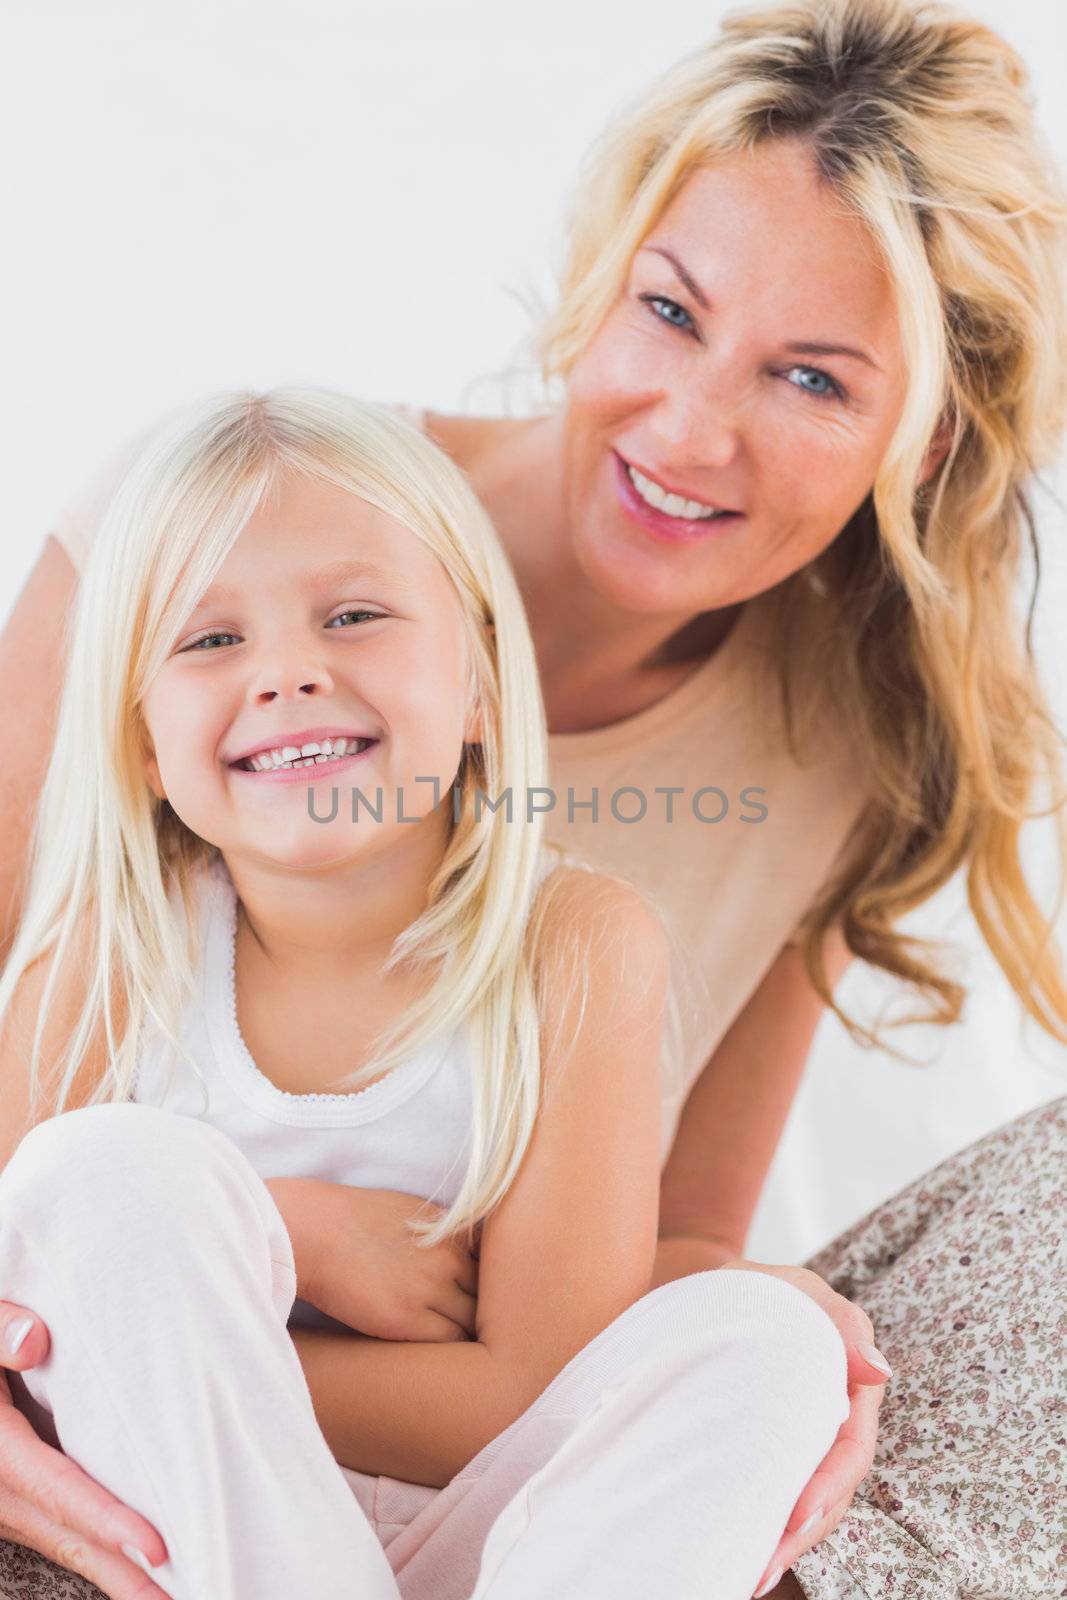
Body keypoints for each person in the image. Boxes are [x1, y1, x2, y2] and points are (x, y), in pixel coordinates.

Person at [0, 0, 1063, 1595]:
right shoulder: (201, 531)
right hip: (120, 1414)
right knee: (110, 1197)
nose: (691, 428)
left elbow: (662, 1249)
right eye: (668, 309)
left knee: (802, 1330)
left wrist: (775, 1326)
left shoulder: (841, 751)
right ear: (593, 282)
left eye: (810, 379)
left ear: (922, 441)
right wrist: (243, 1254)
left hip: (509, 1446)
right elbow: (53, 1166)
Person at [0, 386, 861, 1600]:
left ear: (480, 691)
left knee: (773, 1345)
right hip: (201, 1530)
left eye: (352, 616)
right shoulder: (101, 955)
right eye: (208, 640)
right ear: (142, 741)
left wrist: (215, 1335)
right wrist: (281, 1231)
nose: (289, 672)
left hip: (503, 1540)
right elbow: (32, 1297)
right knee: (92, 1174)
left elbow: (528, 1396)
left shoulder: (573, 946)